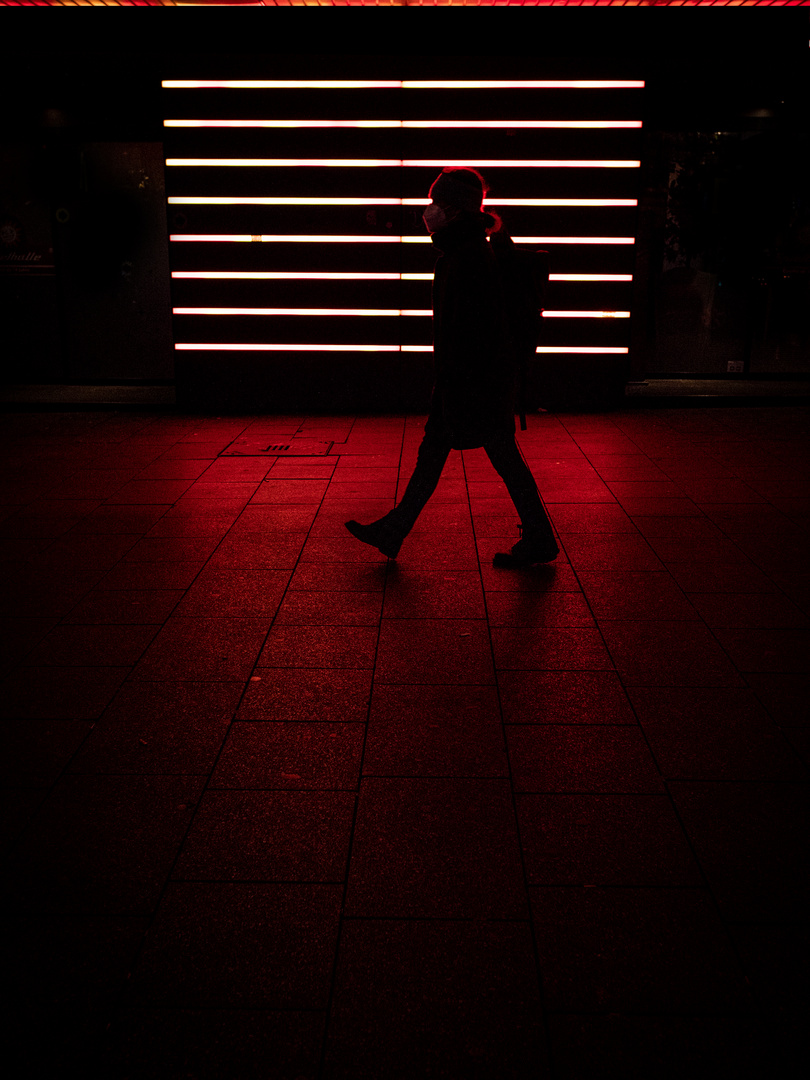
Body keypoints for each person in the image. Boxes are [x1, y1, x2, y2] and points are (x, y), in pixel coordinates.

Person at [345, 166, 559, 568]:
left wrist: (452, 385)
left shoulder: (468, 258)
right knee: (458, 453)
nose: (430, 211)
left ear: (457, 210)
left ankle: (539, 537)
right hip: (476, 381)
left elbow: (469, 331)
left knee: (499, 456)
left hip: (474, 383)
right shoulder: (466, 251)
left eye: (439, 203)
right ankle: (395, 530)